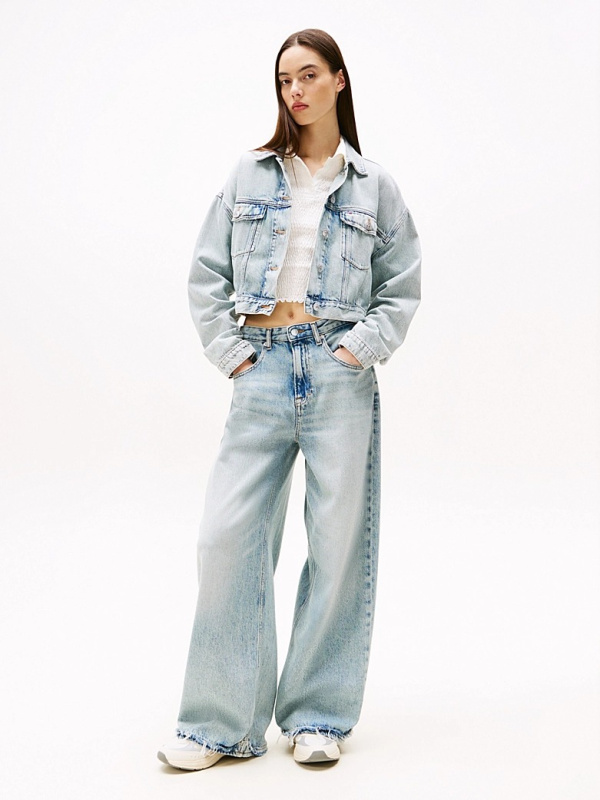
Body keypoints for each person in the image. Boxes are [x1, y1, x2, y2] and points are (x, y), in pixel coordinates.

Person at [157, 27, 421, 771]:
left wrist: (357, 348)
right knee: (226, 538)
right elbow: (206, 273)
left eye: (308, 75)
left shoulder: (374, 185)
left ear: (339, 80)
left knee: (338, 547)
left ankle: (317, 715)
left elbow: (402, 284)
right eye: (284, 80)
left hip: (338, 373)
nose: (295, 91)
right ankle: (220, 725)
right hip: (263, 367)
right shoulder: (248, 173)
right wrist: (233, 353)